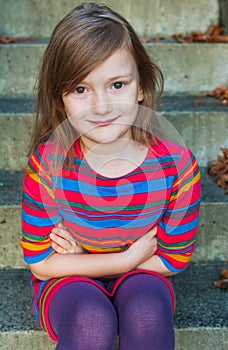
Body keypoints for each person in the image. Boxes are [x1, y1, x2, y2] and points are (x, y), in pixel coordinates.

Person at [20, 2, 201, 350]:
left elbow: (173, 257)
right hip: (67, 285)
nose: (101, 106)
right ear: (61, 98)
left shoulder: (176, 166)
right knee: (91, 319)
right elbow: (42, 262)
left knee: (146, 311)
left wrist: (80, 258)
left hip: (144, 277)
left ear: (141, 86)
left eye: (117, 84)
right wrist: (126, 259)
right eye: (81, 89)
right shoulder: (49, 164)